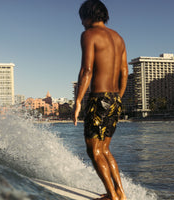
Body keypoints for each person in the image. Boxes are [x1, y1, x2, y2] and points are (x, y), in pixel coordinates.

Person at [73, 0, 128, 200]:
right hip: (115, 99)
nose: (81, 23)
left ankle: (112, 196)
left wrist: (78, 101)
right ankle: (120, 193)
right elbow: (124, 71)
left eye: (82, 18)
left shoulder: (89, 35)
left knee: (93, 151)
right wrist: (118, 98)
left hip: (99, 97)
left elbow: (86, 70)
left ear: (88, 16)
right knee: (104, 148)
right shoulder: (118, 38)